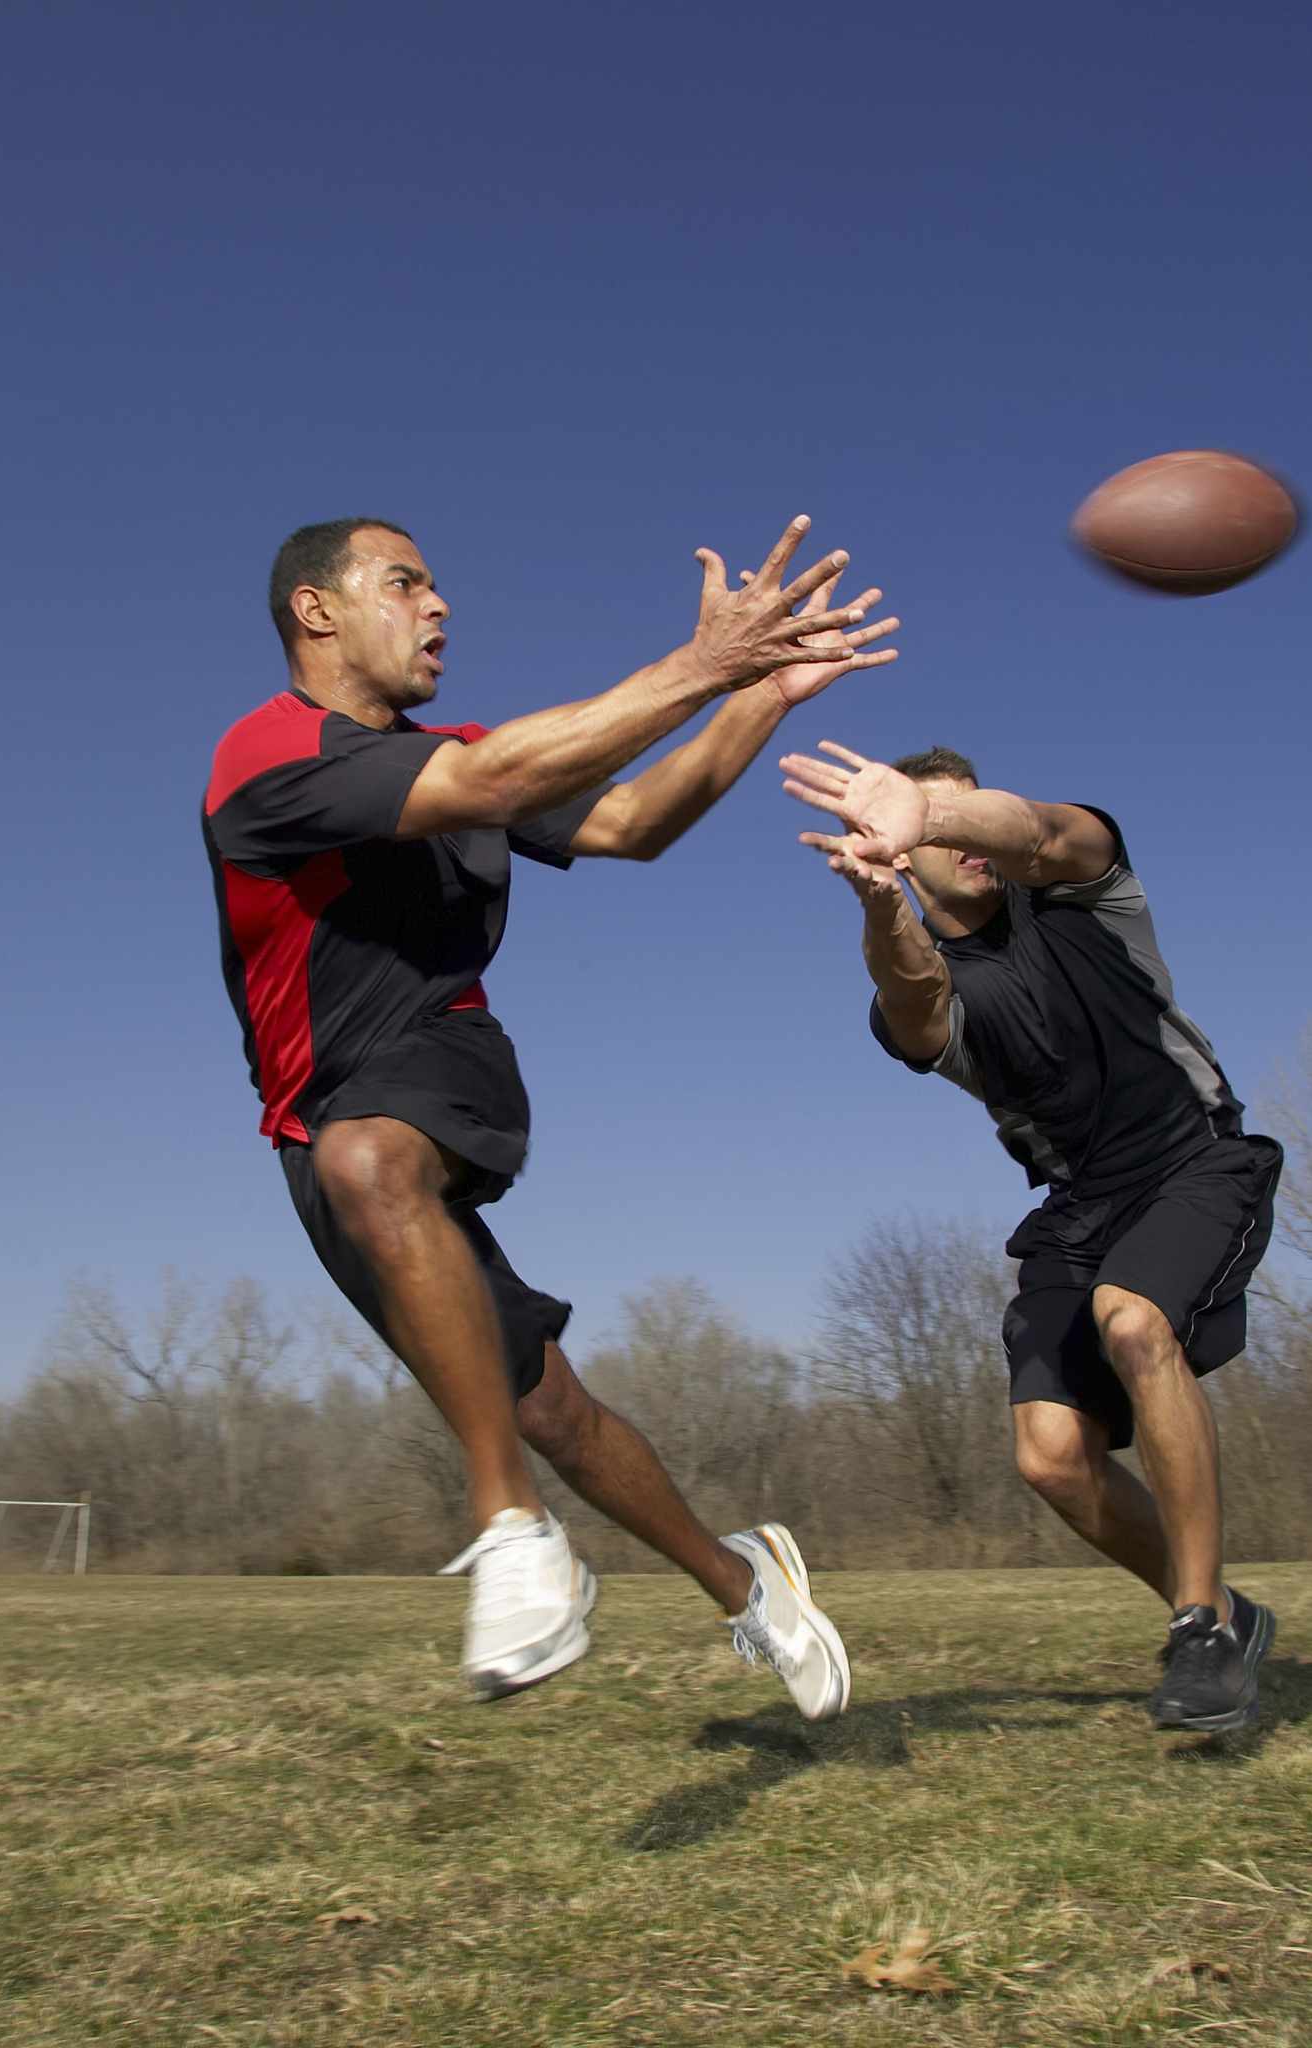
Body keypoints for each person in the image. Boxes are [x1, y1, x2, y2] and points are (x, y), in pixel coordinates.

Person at [203, 513, 897, 1713]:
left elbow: (634, 823)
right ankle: (750, 1585)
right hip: (313, 1135)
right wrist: (711, 664)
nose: (440, 606)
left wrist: (761, 693)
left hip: (435, 1068)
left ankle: (512, 1528)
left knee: (374, 1158)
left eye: (437, 585)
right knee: (547, 1405)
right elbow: (499, 776)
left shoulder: (466, 756)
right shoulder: (267, 756)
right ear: (316, 609)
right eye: (405, 582)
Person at [781, 739, 1281, 1734]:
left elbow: (1044, 828)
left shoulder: (1085, 890)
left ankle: (1200, 1630)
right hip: (1078, 1209)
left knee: (1134, 1321)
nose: (961, 833)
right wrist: (881, 905)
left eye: (968, 812)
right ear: (892, 852)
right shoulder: (936, 980)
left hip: (1196, 1162)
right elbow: (917, 996)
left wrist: (936, 809)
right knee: (1050, 1455)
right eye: (929, 822)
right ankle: (1225, 1609)